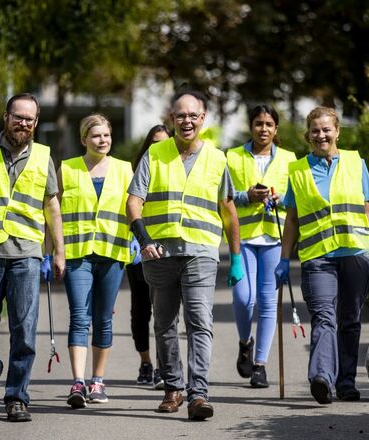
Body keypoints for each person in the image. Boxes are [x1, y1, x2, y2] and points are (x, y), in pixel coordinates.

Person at [126, 90, 243, 421]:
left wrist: (236, 257)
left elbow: (228, 211)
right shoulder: (155, 154)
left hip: (201, 252)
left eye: (193, 115)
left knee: (199, 321)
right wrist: (143, 238)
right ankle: (173, 387)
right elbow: (134, 201)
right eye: (181, 115)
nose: (187, 121)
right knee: (164, 324)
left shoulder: (218, 159)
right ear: (171, 118)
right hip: (160, 253)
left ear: (203, 118)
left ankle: (198, 393)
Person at [275, 106, 369, 404]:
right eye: (315, 130)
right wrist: (283, 258)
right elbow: (291, 219)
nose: (321, 135)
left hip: (356, 253)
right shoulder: (299, 170)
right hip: (318, 257)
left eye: (326, 129)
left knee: (350, 319)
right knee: (324, 317)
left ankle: (345, 383)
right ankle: (321, 377)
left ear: (337, 131)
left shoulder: (356, 164)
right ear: (308, 135)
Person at [0, 93, 65, 422]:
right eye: (17, 116)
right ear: (5, 116)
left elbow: (52, 205)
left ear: (36, 123)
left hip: (26, 251)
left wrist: (58, 252)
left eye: (29, 119)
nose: (22, 123)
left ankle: (17, 396)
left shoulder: (43, 156)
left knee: (25, 329)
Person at [57, 114, 133, 408]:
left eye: (106, 135)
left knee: (103, 318)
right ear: (83, 140)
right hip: (78, 254)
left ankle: (98, 381)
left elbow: (135, 207)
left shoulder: (125, 170)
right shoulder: (68, 169)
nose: (103, 141)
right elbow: (53, 212)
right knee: (79, 316)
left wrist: (138, 241)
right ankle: (78, 382)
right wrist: (52, 251)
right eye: (96, 136)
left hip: (113, 253)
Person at [227, 104, 296, 388]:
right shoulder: (231, 157)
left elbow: (296, 198)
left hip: (273, 238)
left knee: (268, 302)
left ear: (275, 129)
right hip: (242, 237)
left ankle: (260, 364)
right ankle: (245, 341)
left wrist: (282, 199)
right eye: (258, 123)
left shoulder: (291, 160)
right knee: (245, 298)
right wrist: (247, 196)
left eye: (269, 124)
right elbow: (226, 196)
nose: (263, 128)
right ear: (251, 126)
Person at [126, 124, 170, 389]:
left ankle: (165, 366)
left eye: (163, 142)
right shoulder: (136, 173)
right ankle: (146, 361)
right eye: (154, 142)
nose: (158, 146)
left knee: (165, 311)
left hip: (167, 251)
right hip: (138, 253)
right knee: (141, 311)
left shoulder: (177, 172)